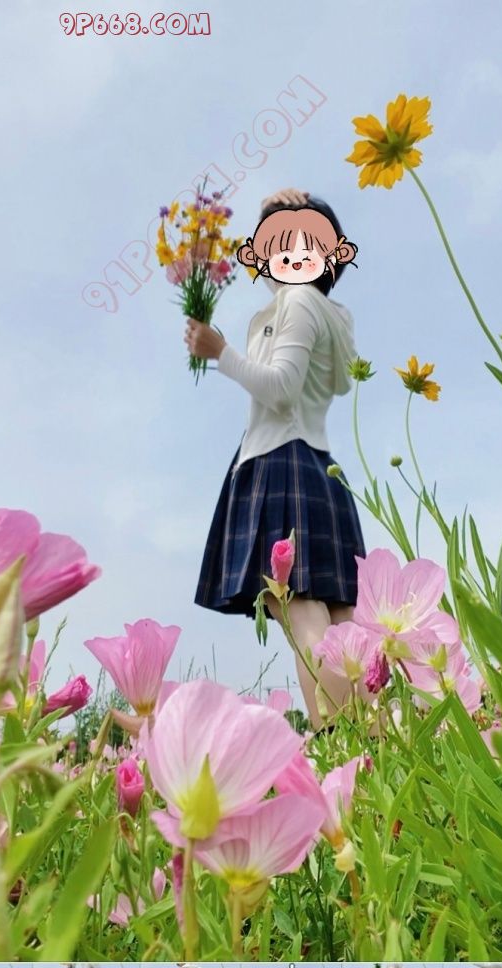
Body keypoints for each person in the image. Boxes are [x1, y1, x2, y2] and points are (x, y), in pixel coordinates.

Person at [187, 187, 367, 728]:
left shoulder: (297, 302)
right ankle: (383, 745)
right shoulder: (333, 313)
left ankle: (342, 741)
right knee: (343, 621)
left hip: (279, 461)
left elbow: (281, 388)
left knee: (301, 609)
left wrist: (220, 352)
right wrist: (274, 210)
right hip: (320, 471)